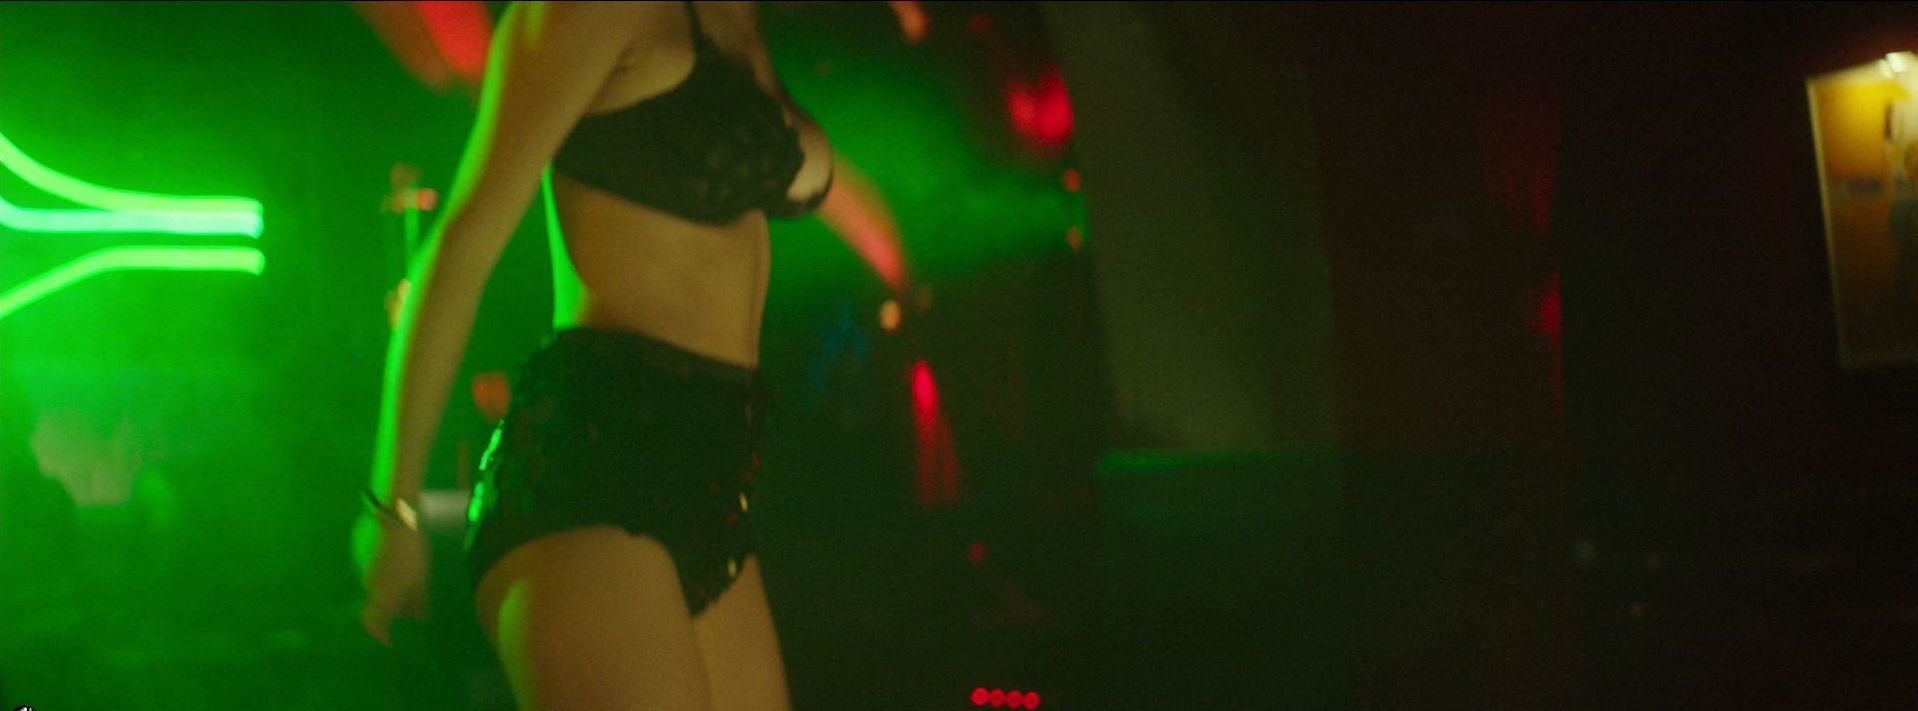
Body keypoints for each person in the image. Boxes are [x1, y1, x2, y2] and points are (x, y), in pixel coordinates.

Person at [356, 2, 832, 709]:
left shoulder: (735, 17)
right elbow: (463, 245)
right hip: (595, 464)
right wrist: (393, 506)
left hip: (715, 479)